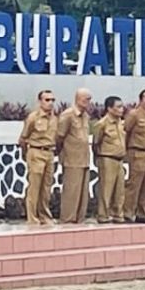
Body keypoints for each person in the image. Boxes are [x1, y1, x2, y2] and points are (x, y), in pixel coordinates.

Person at [17, 90, 58, 226]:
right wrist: (26, 154)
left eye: (52, 100)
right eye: (47, 100)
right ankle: (32, 217)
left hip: (49, 153)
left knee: (46, 187)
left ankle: (44, 215)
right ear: (40, 101)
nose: (50, 103)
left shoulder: (54, 118)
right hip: (36, 152)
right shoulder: (33, 118)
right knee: (34, 187)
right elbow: (23, 138)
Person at [56, 87, 93, 224]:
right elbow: (59, 137)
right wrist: (62, 152)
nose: (88, 102)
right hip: (72, 159)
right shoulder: (68, 115)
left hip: (84, 159)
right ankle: (68, 220)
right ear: (78, 99)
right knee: (71, 192)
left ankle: (79, 219)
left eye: (89, 99)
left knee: (82, 193)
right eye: (86, 99)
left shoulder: (85, 116)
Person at [124, 89, 145, 223]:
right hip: (137, 152)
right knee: (134, 185)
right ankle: (128, 213)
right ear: (141, 100)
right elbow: (126, 131)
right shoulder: (134, 114)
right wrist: (127, 151)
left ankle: (142, 213)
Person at [92, 96, 127, 223]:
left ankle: (118, 214)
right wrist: (99, 157)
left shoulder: (120, 123)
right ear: (109, 108)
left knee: (119, 190)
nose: (121, 109)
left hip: (119, 158)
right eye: (118, 107)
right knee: (106, 189)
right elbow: (96, 142)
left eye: (122, 107)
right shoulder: (102, 124)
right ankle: (103, 215)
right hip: (107, 158)